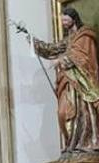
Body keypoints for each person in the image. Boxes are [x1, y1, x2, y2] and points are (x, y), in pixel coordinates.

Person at [33, 7, 99, 153]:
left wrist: (61, 60)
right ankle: (72, 143)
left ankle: (85, 142)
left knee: (82, 112)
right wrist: (33, 41)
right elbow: (52, 49)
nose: (62, 22)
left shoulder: (85, 35)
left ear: (72, 18)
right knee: (62, 113)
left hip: (82, 84)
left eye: (64, 19)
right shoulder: (68, 39)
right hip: (67, 82)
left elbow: (84, 57)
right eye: (61, 20)